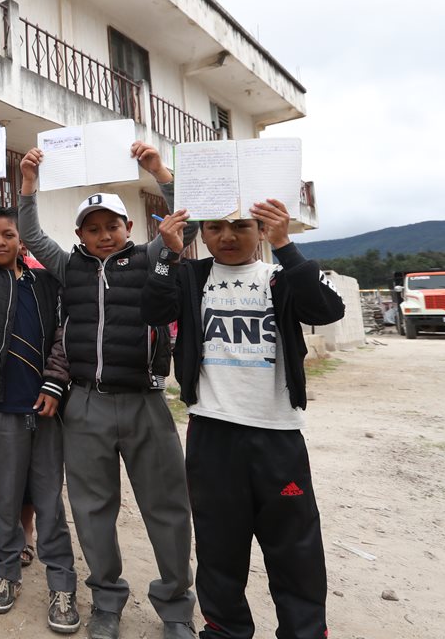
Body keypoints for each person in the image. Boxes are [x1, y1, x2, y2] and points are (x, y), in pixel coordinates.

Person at [19, 141, 198, 639]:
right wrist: (29, 185)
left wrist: (159, 170)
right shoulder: (68, 266)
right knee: (92, 509)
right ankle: (106, 601)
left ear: (130, 229)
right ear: (79, 235)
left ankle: (177, 609)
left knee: (166, 507)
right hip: (86, 405)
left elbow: (189, 221)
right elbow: (30, 233)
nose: (103, 235)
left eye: (112, 226)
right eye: (93, 228)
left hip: (145, 402)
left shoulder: (149, 258)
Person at [142, 201, 345, 639]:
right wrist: (168, 253)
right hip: (211, 430)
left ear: (260, 229)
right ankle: (224, 630)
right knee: (219, 547)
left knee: (295, 549)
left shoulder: (281, 276)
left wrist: (285, 245)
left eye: (240, 226)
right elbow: (154, 311)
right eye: (215, 227)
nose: (227, 236)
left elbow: (326, 310)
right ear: (204, 233)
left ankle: (305, 631)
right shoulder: (191, 276)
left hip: (278, 434)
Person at [0, 166, 80, 633]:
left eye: (8, 234)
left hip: (45, 410)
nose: (0, 241)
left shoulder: (49, 284)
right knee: (4, 501)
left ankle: (62, 584)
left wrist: (54, 383)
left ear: (21, 239)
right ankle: (6, 575)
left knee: (50, 503)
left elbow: (66, 336)